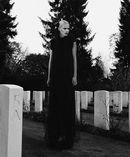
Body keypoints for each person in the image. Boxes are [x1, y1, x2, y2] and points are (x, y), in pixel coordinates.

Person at [46, 19, 77, 150]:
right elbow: (50, 60)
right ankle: (54, 136)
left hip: (67, 77)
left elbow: (74, 59)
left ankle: (66, 137)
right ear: (59, 28)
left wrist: (75, 75)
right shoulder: (53, 42)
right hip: (55, 77)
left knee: (66, 106)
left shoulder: (72, 42)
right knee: (55, 106)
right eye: (64, 28)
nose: (67, 31)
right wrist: (48, 77)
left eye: (68, 28)